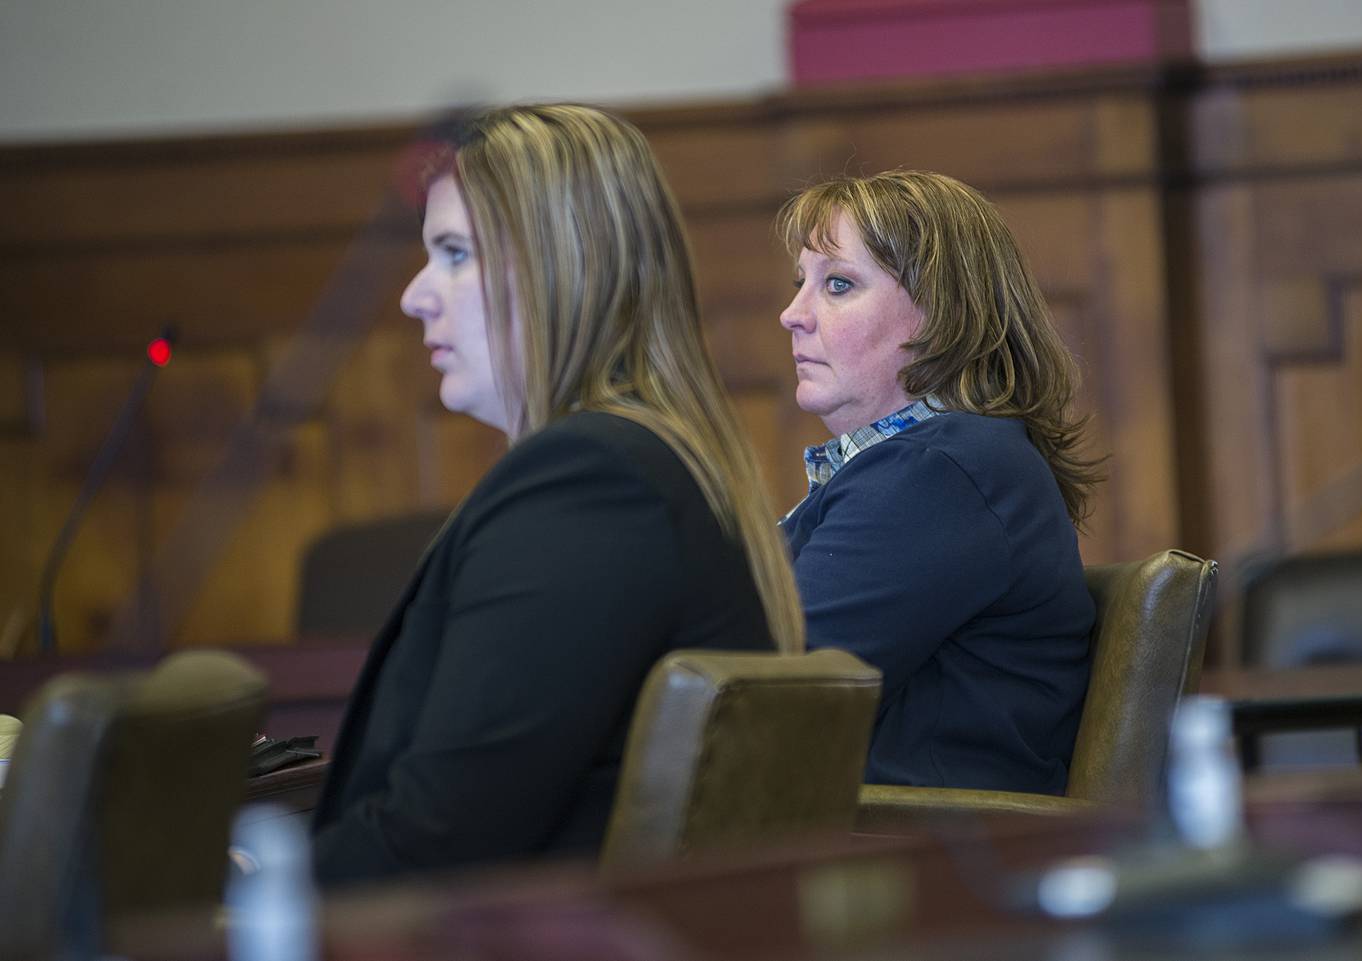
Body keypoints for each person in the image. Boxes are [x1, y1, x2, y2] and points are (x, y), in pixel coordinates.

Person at [310, 104, 805, 886]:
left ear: (558, 268)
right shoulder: (645, 462)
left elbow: (435, 844)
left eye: (453, 254)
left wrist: (233, 891)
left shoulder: (588, 483)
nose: (414, 295)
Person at [776, 171, 1101, 795]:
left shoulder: (942, 472)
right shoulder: (944, 460)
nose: (792, 315)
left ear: (943, 314)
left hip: (910, 863)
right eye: (802, 285)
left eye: (838, 285)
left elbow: (758, 688)